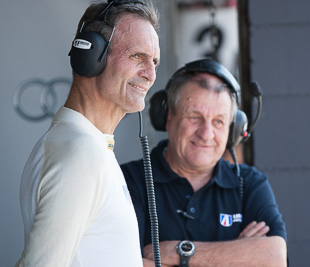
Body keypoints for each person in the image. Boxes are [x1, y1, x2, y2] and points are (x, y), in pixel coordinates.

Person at [16, 1, 160, 266]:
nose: (150, 74)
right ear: (91, 56)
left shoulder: (90, 145)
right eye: (137, 56)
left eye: (154, 61)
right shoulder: (80, 152)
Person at [121, 59, 287, 267]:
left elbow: (275, 257)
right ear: (167, 117)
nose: (206, 134)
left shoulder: (250, 183)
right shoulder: (127, 181)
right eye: (194, 117)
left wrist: (180, 253)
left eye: (218, 121)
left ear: (233, 130)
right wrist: (236, 255)